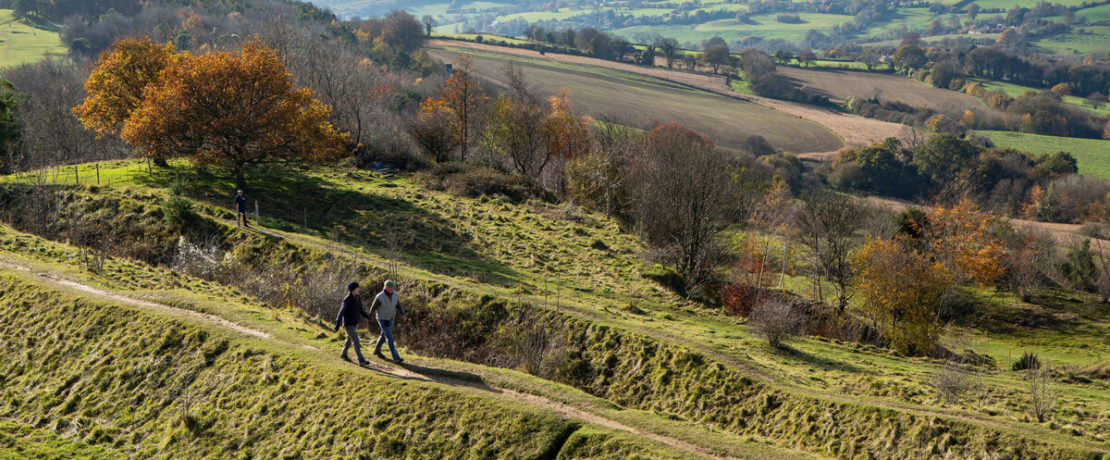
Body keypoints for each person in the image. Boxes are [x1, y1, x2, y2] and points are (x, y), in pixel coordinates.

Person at [369, 280, 406, 364]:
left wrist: (403, 314)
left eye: (393, 288)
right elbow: (373, 308)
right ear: (385, 287)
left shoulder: (395, 295)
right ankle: (396, 357)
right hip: (382, 319)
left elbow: (398, 305)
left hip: (391, 318)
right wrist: (369, 317)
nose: (392, 289)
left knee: (383, 334)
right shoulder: (379, 297)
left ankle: (377, 350)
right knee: (389, 338)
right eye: (390, 287)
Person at [334, 282, 371, 366]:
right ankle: (361, 360)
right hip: (348, 324)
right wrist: (337, 323)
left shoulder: (357, 297)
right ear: (353, 289)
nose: (359, 289)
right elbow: (341, 312)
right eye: (358, 288)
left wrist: (367, 316)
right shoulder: (347, 299)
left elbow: (360, 309)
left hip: (354, 323)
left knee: (349, 340)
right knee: (356, 340)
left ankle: (343, 354)